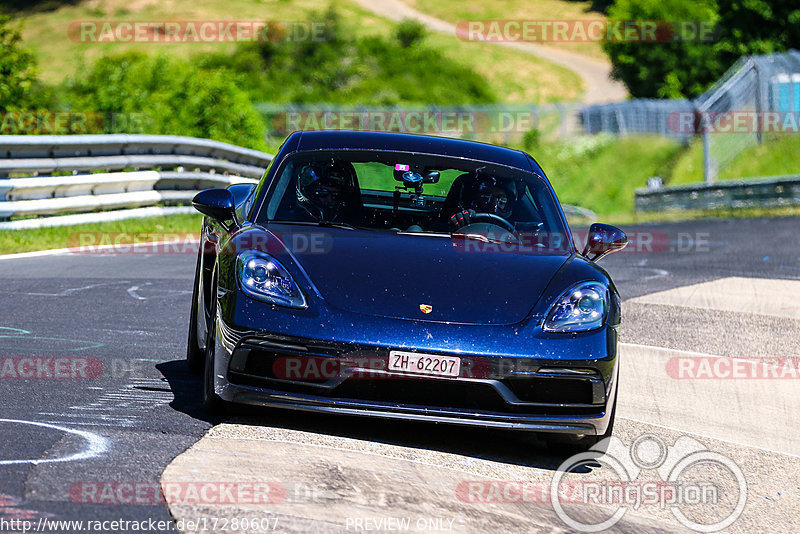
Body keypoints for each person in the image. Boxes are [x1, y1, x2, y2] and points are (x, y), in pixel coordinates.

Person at [296, 160, 362, 223]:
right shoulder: (300, 215)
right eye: (323, 193)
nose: (329, 200)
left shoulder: (350, 216)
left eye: (335, 195)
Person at [448, 174, 518, 230]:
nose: (493, 204)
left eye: (502, 199)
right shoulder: (462, 217)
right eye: (486, 196)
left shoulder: (514, 226)